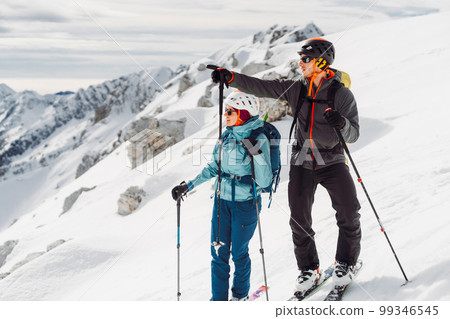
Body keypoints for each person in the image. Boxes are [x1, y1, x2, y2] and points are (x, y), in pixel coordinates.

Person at [210, 38, 361, 293]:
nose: (300, 63)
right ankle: (308, 270)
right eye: (300, 58)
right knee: (299, 219)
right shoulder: (297, 89)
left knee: (348, 212)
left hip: (332, 159)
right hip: (302, 158)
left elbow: (354, 134)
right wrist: (230, 77)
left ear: (321, 62)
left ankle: (345, 264)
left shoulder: (341, 94)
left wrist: (341, 123)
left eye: (305, 59)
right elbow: (262, 86)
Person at [171, 90, 272, 301]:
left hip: (245, 205)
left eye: (230, 111)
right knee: (218, 255)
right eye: (225, 111)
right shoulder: (226, 135)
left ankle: (240, 297)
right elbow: (213, 168)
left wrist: (257, 154)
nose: (225, 115)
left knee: (239, 254)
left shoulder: (258, 137)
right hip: (221, 202)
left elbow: (265, 182)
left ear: (243, 113)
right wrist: (188, 186)